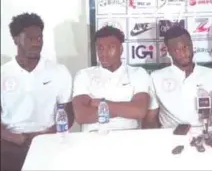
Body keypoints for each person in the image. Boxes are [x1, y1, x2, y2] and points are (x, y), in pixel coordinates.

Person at [1, 13, 73, 171]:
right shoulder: (3, 74)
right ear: (15, 39)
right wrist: (11, 137)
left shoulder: (59, 72)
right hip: (10, 143)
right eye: (29, 38)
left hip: (48, 139)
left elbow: (68, 115)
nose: (36, 43)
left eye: (39, 38)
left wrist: (45, 135)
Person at [143, 26, 212, 128]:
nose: (183, 53)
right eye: (176, 50)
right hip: (170, 136)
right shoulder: (156, 77)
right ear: (168, 51)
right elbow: (151, 118)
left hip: (205, 135)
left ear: (192, 45)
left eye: (186, 47)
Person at [72, 26, 150, 132]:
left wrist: (101, 104)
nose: (104, 53)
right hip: (93, 137)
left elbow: (139, 111)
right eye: (100, 48)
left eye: (110, 47)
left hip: (129, 137)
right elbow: (81, 115)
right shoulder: (84, 75)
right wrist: (126, 109)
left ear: (121, 49)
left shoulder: (137, 73)